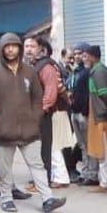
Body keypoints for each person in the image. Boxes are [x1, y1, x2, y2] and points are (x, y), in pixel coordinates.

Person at [0, 33, 66, 213]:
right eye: (7, 46)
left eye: (15, 45)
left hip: (29, 129)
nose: (11, 49)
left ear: (19, 48)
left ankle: (47, 198)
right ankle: (6, 198)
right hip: (4, 130)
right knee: (5, 168)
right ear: (2, 48)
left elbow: (37, 97)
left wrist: (35, 118)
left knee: (37, 165)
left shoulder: (29, 71)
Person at [25, 35, 70, 192]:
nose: (28, 49)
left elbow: (50, 94)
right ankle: (41, 180)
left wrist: (40, 111)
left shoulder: (46, 67)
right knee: (40, 149)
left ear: (40, 48)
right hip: (38, 113)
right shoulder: (34, 66)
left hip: (45, 114)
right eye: (26, 46)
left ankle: (45, 182)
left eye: (32, 46)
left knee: (47, 148)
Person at [81, 45, 107, 194]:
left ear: (92, 57)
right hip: (98, 117)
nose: (85, 59)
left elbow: (105, 96)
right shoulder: (97, 71)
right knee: (103, 151)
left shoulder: (99, 73)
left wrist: (104, 112)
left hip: (101, 118)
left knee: (104, 152)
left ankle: (106, 182)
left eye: (86, 56)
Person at [69, 44, 96, 184]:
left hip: (83, 114)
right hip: (75, 111)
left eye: (81, 54)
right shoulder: (75, 72)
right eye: (76, 53)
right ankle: (86, 172)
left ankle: (91, 174)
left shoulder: (88, 72)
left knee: (88, 145)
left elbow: (89, 95)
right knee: (82, 146)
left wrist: (85, 111)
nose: (78, 56)